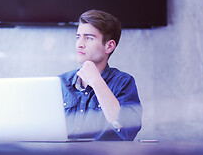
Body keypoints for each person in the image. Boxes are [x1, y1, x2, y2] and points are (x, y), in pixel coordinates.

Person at [59, 9, 142, 141]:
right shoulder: (61, 82)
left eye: (89, 38)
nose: (79, 44)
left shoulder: (123, 82)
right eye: (78, 37)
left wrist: (96, 81)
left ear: (109, 46)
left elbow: (129, 130)